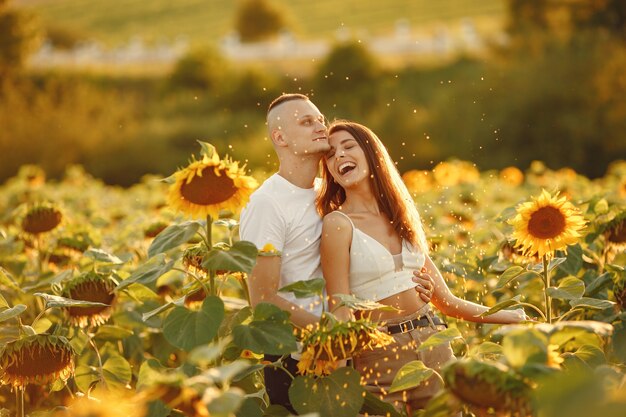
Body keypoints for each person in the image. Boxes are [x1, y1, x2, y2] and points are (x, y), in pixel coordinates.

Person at [240, 95, 435, 413]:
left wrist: (413, 285)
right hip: (295, 360)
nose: (319, 126)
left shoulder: (327, 192)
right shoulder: (267, 203)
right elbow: (263, 298)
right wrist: (331, 335)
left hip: (346, 354)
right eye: (306, 122)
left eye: (319, 119)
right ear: (280, 137)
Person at [316, 120, 527, 414]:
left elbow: (448, 302)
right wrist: (339, 383)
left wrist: (517, 318)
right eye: (330, 154)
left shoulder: (400, 216)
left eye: (348, 146)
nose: (338, 156)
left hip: (434, 343)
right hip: (378, 354)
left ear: (372, 153)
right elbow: (340, 308)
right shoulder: (338, 224)